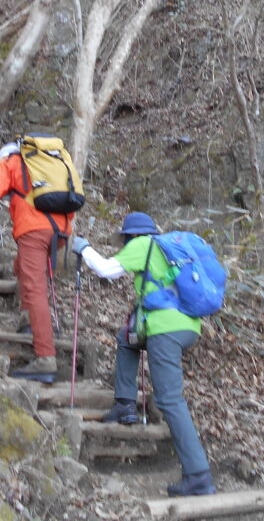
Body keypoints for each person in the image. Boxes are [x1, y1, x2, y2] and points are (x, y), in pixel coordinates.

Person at [71, 212, 216, 497]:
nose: (126, 242)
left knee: (170, 400)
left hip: (165, 330)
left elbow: (106, 269)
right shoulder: (165, 250)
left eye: (126, 238)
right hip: (187, 326)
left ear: (133, 235)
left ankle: (199, 475)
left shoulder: (143, 244)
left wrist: (83, 247)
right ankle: (125, 404)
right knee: (126, 339)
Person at [0, 142, 73, 384]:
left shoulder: (11, 164)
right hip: (60, 231)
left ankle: (45, 358)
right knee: (22, 267)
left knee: (35, 288)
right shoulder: (52, 163)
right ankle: (28, 319)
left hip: (33, 231)